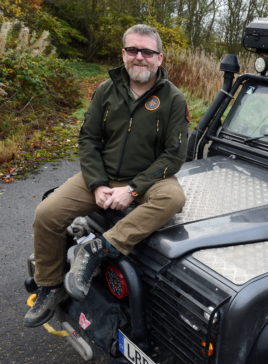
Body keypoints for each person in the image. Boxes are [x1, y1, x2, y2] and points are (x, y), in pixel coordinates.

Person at [23, 24, 188, 328]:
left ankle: (99, 249)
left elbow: (174, 155)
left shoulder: (173, 100)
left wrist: (134, 190)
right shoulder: (106, 90)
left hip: (147, 178)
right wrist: (97, 184)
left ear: (160, 58)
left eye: (147, 52)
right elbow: (88, 139)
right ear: (123, 54)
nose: (139, 57)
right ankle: (50, 285)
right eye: (132, 50)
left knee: (174, 197)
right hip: (102, 174)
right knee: (47, 213)